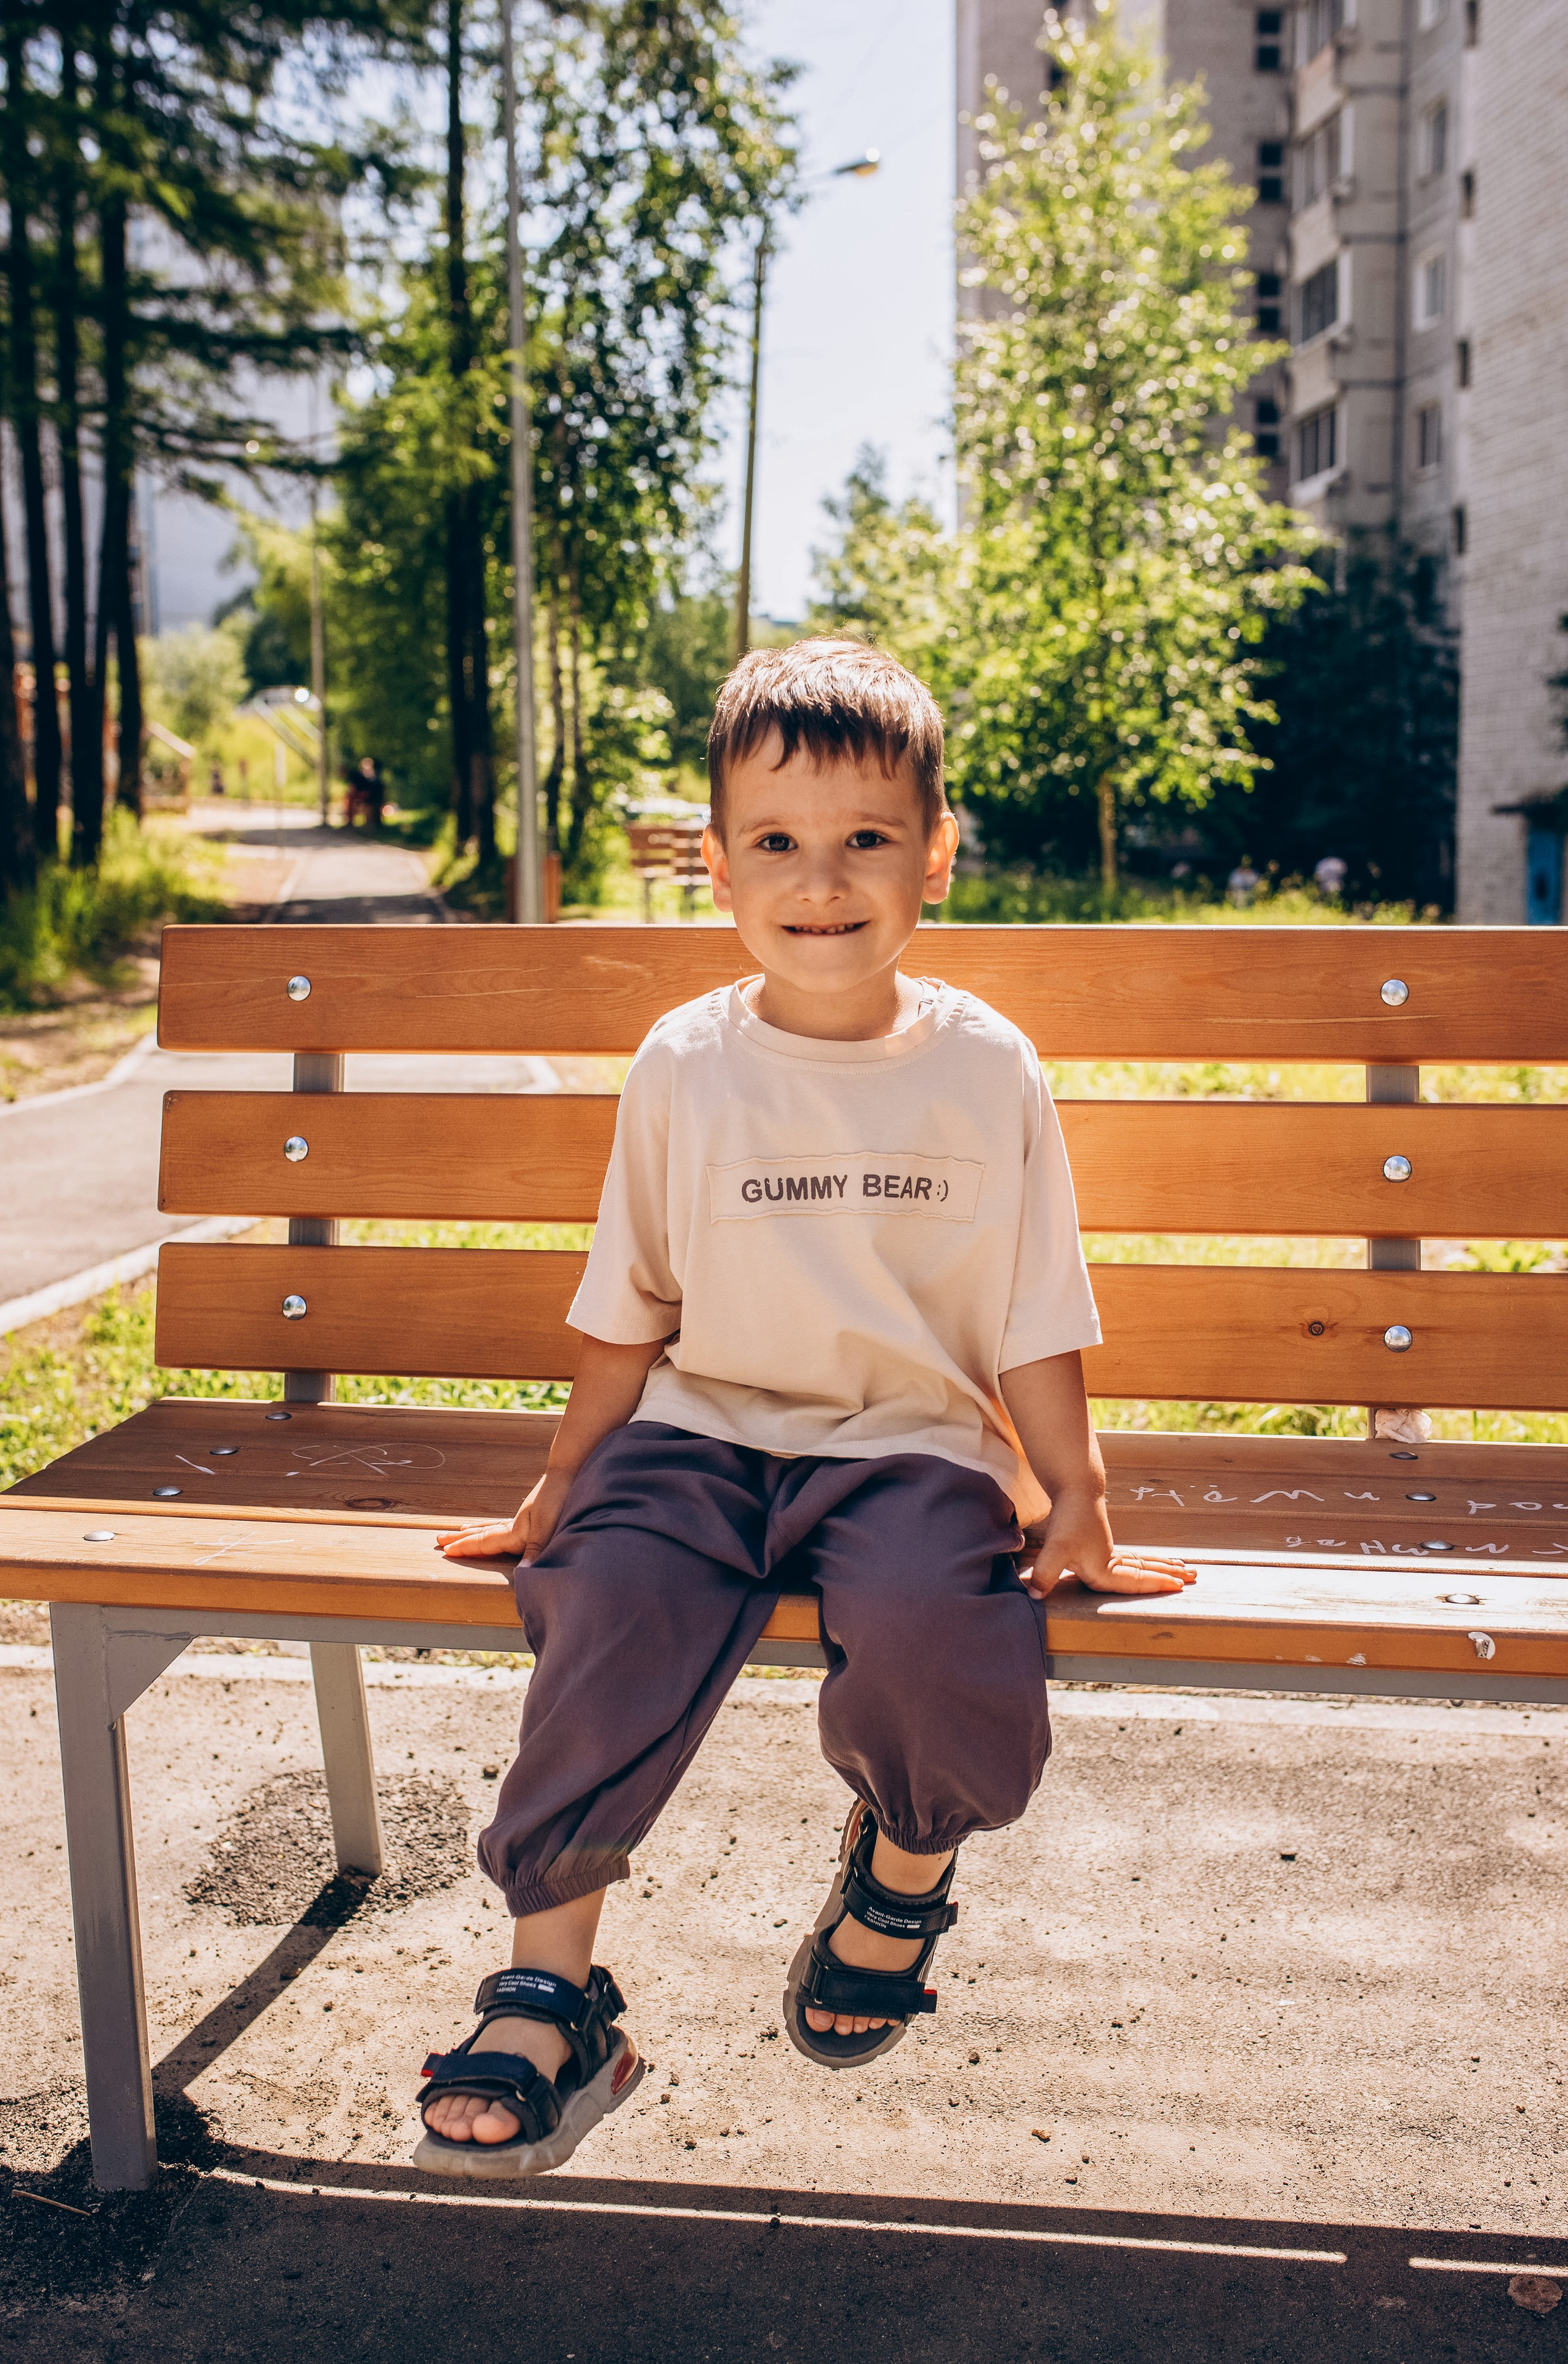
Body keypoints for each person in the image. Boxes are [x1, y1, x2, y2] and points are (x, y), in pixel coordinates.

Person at [417, 639, 1195, 2180]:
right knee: (608, 1593)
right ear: (712, 865)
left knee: (938, 1617)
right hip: (701, 1441)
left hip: (905, 1450)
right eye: (774, 839)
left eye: (864, 840)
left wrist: (1078, 1490)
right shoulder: (687, 1063)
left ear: (934, 855)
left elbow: (1039, 1304)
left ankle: (898, 1875)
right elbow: (626, 1301)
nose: (819, 878)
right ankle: (549, 1987)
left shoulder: (984, 1067)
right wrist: (560, 1484)